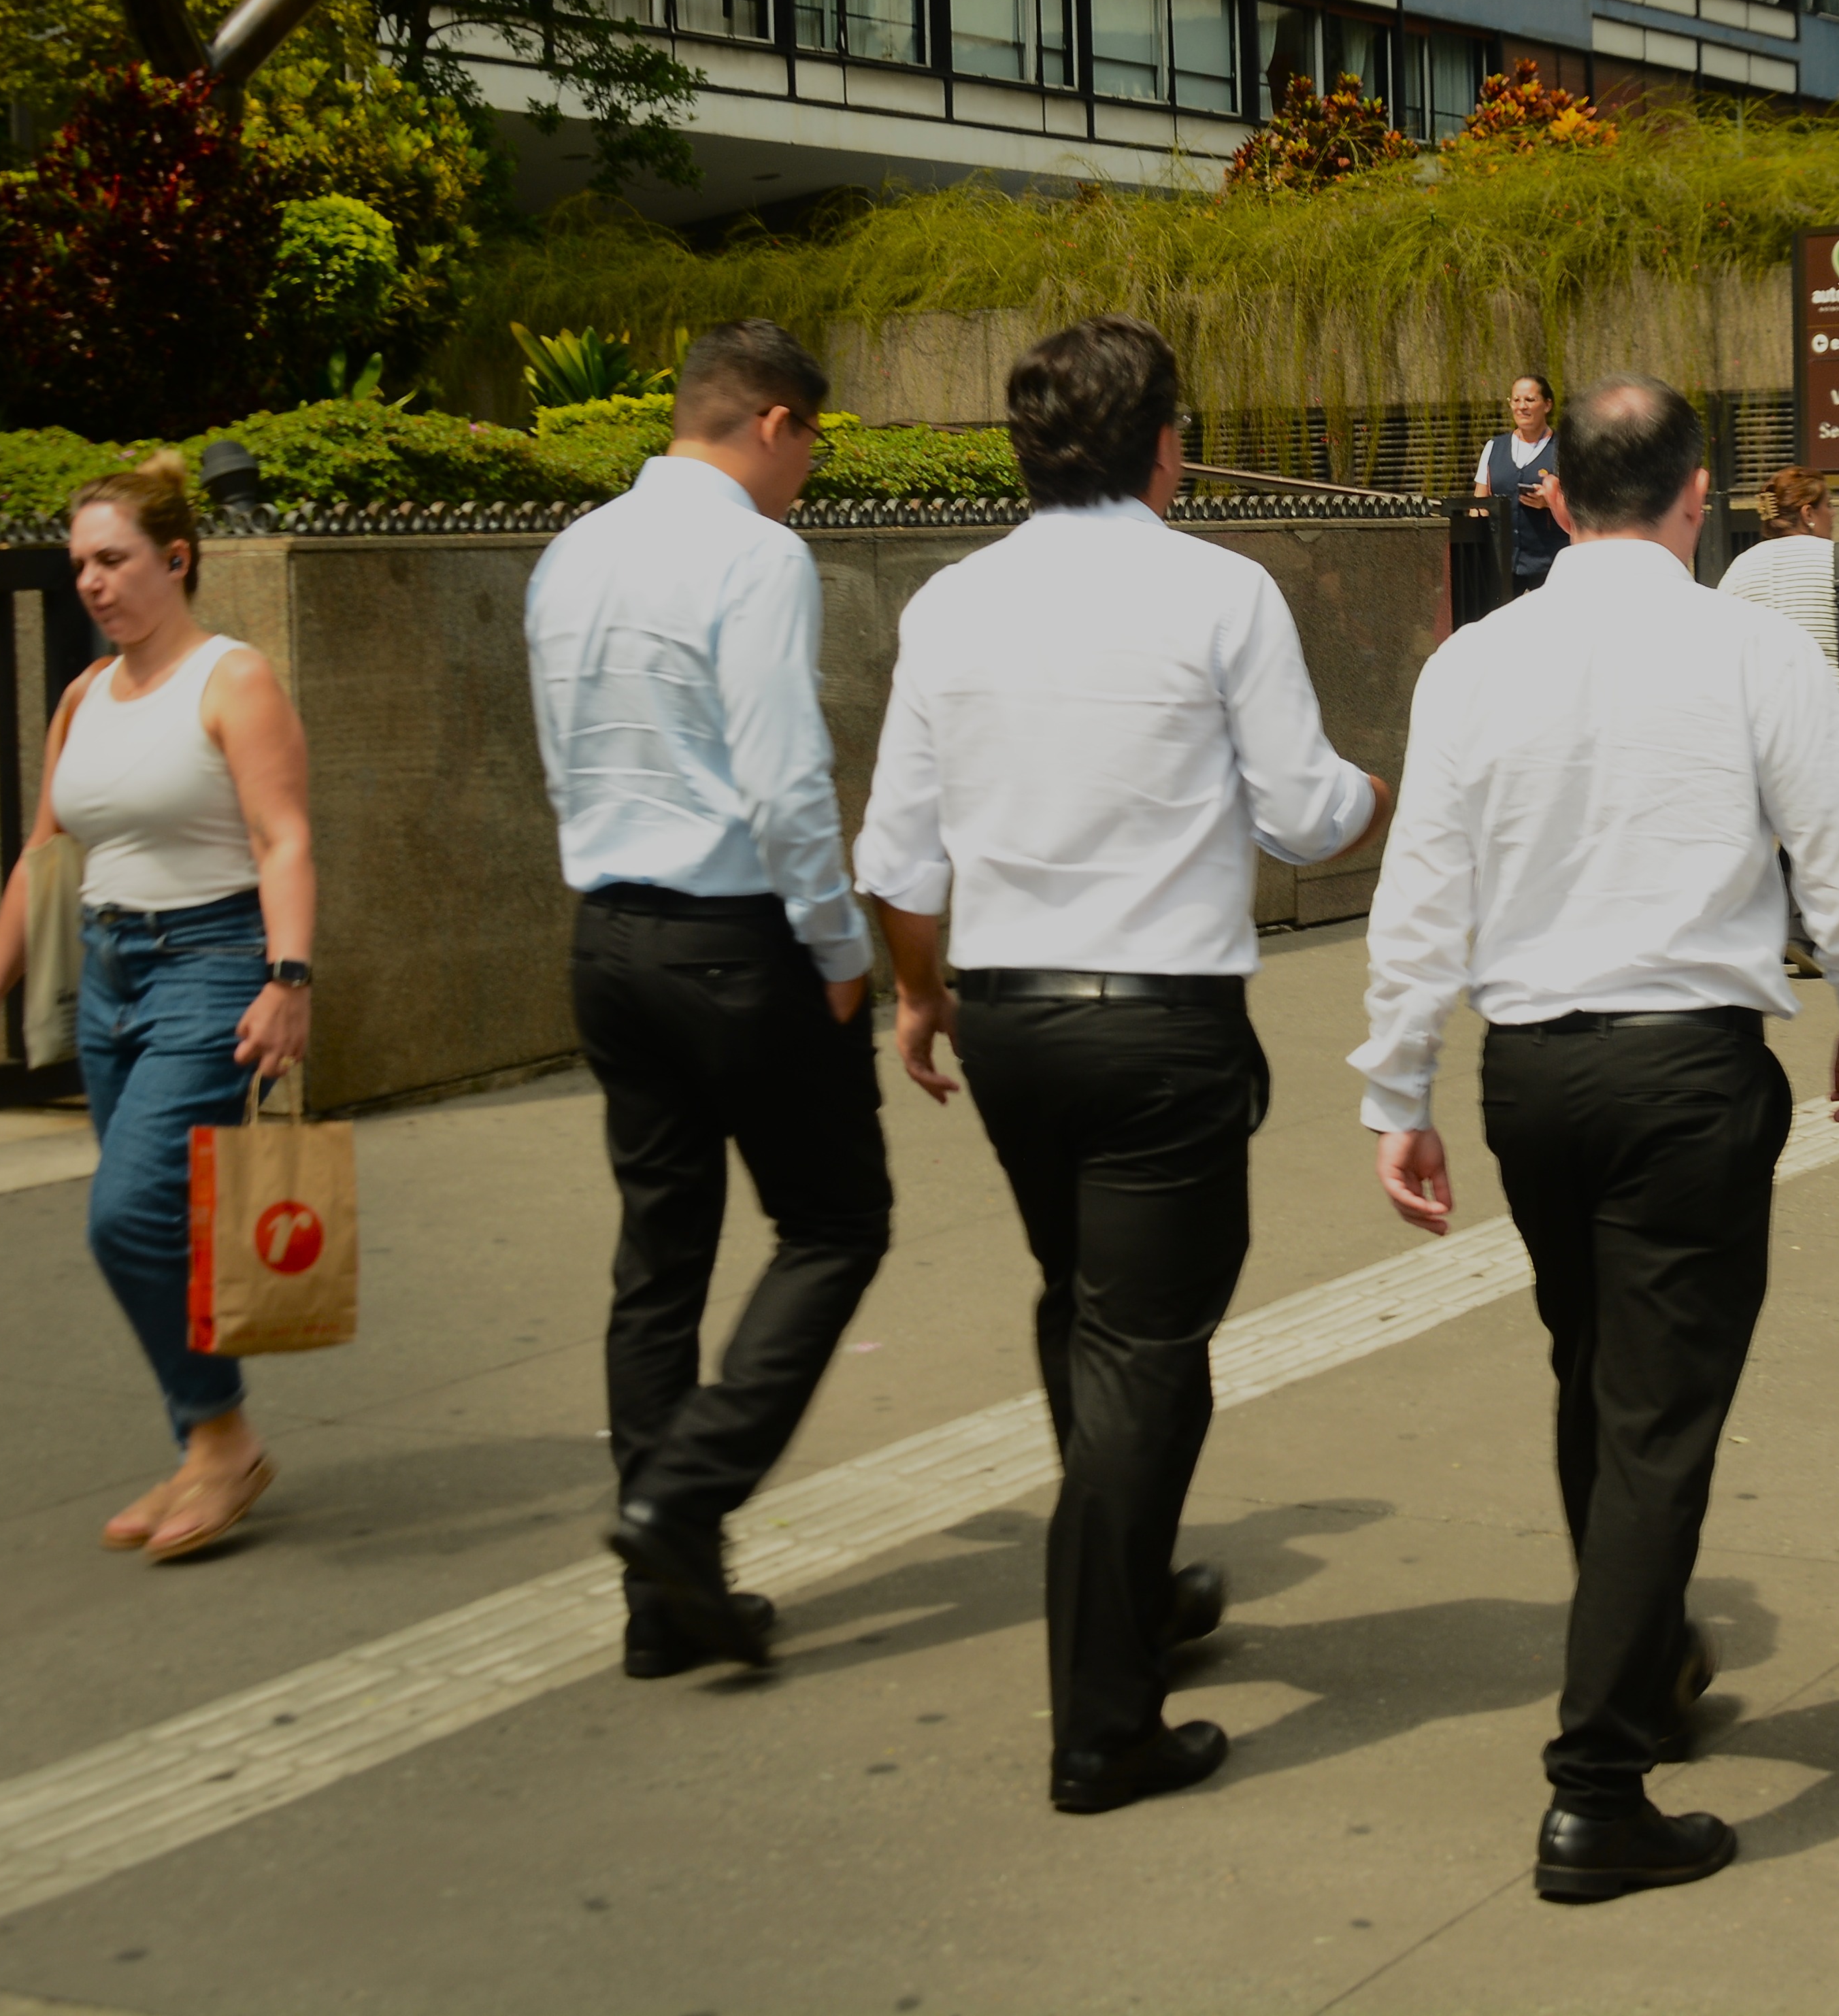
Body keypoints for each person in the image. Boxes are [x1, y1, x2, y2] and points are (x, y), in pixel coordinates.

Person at [1353, 376, 1839, 1904]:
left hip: (1534, 1074)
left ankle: (1650, 1658)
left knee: (1594, 1375)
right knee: (1660, 1413)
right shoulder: (1751, 651)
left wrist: (1397, 1089)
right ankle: (1598, 1780)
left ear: (1549, 496)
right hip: (1688, 1072)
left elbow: (1422, 896)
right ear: (1695, 496)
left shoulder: (1473, 661)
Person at [858, 315, 1387, 1814]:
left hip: (1012, 1015)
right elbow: (1299, 811)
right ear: (1163, 445)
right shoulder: (1220, 589)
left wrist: (919, 995)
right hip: (1161, 1025)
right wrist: (1384, 797)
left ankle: (1138, 1593)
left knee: (1085, 1309)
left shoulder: (952, 604)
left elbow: (896, 851)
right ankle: (1103, 1716)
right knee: (1147, 1353)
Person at [525, 317, 891, 1677]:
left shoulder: (572, 551)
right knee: (839, 1220)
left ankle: (666, 1603)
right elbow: (787, 776)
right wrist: (841, 948)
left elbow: (564, 753)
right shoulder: (756, 552)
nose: (806, 476)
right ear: (777, 424)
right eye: (811, 447)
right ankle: (685, 1498)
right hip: (739, 938)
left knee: (659, 1260)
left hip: (608, 936)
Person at [0, 452, 316, 1563]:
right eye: (80, 567)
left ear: (178, 559)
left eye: (114, 560)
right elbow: (43, 855)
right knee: (166, 1228)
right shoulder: (82, 698)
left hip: (210, 962)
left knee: (129, 1214)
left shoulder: (232, 680)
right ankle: (209, 1444)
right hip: (107, 974)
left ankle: (224, 1442)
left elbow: (283, 837)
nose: (95, 584)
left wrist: (288, 979)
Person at [1719, 466, 1839, 753]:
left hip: (1764, 716)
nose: (1833, 514)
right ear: (1808, 514)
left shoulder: (1741, 566)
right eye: (1829, 506)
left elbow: (1721, 641)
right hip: (1838, 711)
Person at [1477, 372, 1565, 599]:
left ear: (1547, 405)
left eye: (1530, 400)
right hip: (1501, 564)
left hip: (1550, 563)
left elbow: (1586, 504)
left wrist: (1550, 503)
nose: (1522, 407)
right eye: (1516, 400)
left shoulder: (1565, 448)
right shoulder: (1494, 447)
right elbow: (1479, 502)